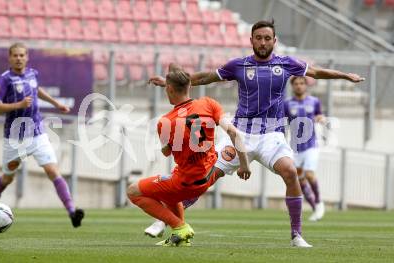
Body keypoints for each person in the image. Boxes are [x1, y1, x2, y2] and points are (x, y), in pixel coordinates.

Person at [149, 20, 364, 247]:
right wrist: (171, 82)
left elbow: (317, 72)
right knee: (204, 179)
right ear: (251, 40)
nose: (263, 42)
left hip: (272, 135)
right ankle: (164, 221)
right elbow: (204, 78)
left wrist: (345, 75)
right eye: (258, 38)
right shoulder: (238, 65)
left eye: (267, 38)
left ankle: (296, 235)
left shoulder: (287, 64)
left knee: (290, 172)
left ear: (274, 41)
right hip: (240, 132)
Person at [127, 64, 251, 246]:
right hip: (208, 176)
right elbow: (234, 133)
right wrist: (244, 165)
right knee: (170, 194)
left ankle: (179, 226)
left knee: (133, 191)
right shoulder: (209, 104)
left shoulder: (165, 122)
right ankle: (181, 239)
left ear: (168, 89)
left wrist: (166, 145)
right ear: (190, 86)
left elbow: (167, 152)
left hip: (185, 182)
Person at [0, 43, 84, 228]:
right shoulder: (5, 80)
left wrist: (56, 104)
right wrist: (18, 105)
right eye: (15, 55)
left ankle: (72, 212)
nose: (19, 58)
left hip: (37, 134)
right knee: (8, 177)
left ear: (27, 56)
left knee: (53, 171)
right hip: (14, 139)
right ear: (10, 58)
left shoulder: (32, 74)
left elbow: (37, 90)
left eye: (22, 55)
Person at [284, 76, 326, 221]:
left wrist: (321, 119)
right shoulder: (287, 104)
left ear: (306, 86)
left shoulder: (314, 101)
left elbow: (319, 114)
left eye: (302, 83)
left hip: (311, 146)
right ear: (292, 86)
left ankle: (319, 202)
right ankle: (315, 207)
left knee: (309, 174)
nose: (299, 86)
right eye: (296, 84)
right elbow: (282, 122)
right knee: (300, 181)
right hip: (295, 148)